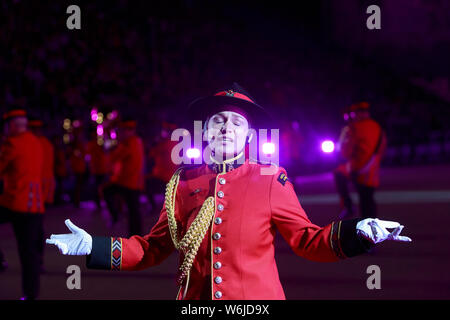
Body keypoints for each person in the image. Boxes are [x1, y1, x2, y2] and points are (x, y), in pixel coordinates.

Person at [46, 84, 410, 300]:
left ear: (248, 136)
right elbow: (153, 248)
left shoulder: (270, 178)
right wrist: (91, 246)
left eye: (236, 122)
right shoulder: (182, 182)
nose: (225, 128)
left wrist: (359, 232)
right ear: (206, 131)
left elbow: (307, 240)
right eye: (218, 121)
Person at [0, 109, 44, 300]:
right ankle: (31, 294)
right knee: (29, 253)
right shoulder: (36, 142)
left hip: (15, 202)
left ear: (12, 126)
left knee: (27, 252)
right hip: (34, 205)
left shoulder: (12, 143)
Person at [334, 102, 387, 219]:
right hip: (372, 168)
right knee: (368, 199)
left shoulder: (353, 127)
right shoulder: (377, 126)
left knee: (338, 174)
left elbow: (345, 152)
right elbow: (382, 147)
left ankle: (348, 206)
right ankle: (372, 228)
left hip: (357, 168)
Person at [103, 119, 145, 236]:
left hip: (128, 181)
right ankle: (135, 234)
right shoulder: (137, 141)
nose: (119, 134)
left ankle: (117, 218)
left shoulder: (128, 143)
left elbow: (115, 157)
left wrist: (110, 148)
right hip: (133, 181)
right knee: (133, 209)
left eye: (121, 131)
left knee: (107, 191)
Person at [86, 128, 110, 210]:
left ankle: (103, 202)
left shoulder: (101, 144)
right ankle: (98, 203)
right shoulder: (90, 145)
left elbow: (106, 152)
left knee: (103, 187)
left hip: (103, 169)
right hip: (95, 170)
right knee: (97, 188)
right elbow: (88, 156)